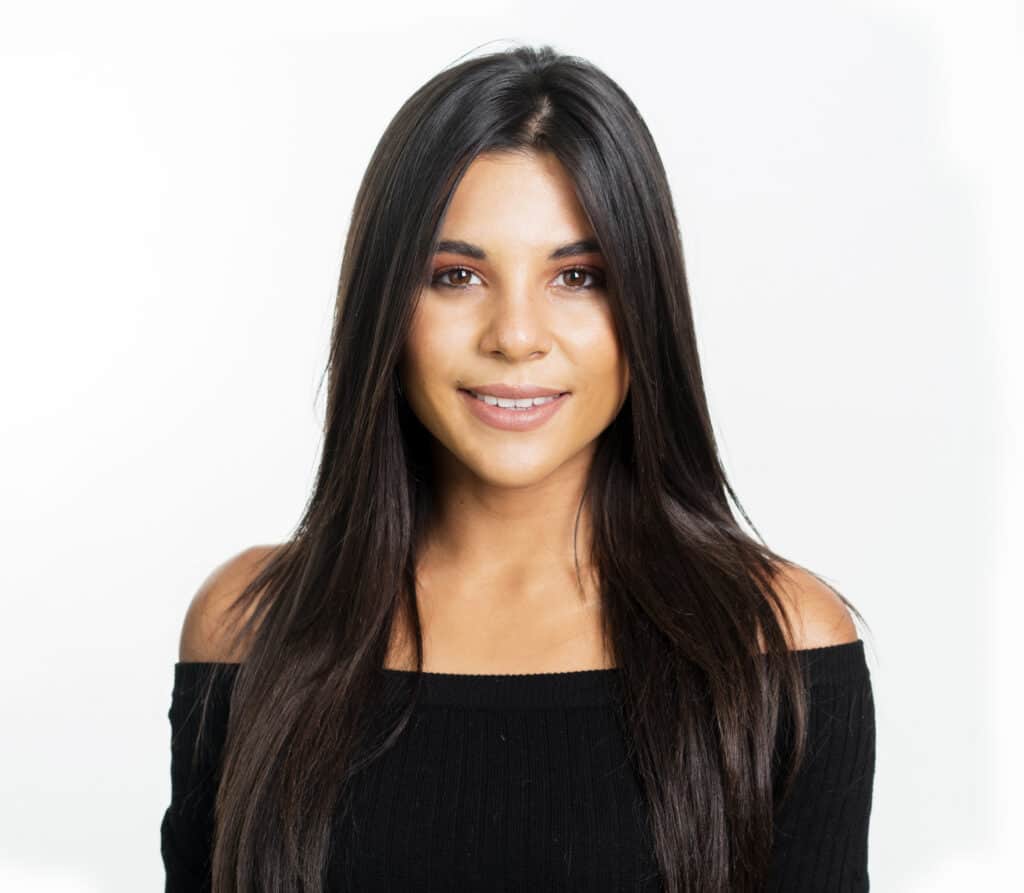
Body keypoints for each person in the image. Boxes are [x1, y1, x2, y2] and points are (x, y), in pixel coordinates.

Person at [161, 43, 875, 893]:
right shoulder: (251, 628)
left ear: (643, 306)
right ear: (387, 306)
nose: (516, 334)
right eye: (456, 275)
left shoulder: (779, 640)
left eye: (577, 276)